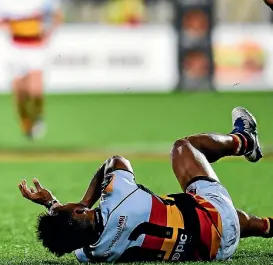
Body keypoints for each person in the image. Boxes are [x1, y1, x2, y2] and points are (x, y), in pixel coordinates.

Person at [19, 107, 270, 262]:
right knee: (183, 148)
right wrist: (84, 201)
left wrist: (53, 206)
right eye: (70, 207)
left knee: (194, 224)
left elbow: (72, 236)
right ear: (79, 211)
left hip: (214, 253)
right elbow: (115, 161)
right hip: (217, 214)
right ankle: (244, 140)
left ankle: (265, 227)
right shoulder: (119, 195)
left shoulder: (94, 255)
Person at [0, 0, 62, 139]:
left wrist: (49, 31)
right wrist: (5, 26)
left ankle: (37, 117)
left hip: (36, 46)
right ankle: (26, 121)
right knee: (20, 92)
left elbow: (58, 14)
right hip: (15, 47)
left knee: (35, 90)